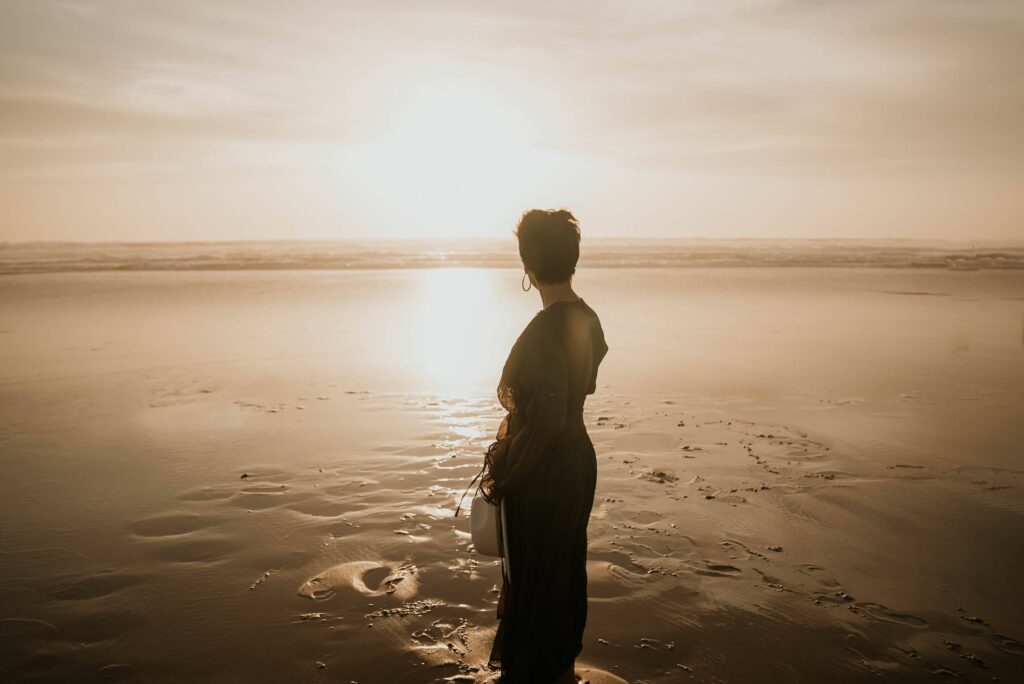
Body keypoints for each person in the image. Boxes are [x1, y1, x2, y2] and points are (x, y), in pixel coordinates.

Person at [480, 209, 609, 683]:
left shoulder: (546, 330)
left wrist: (507, 474)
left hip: (548, 466)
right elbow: (571, 399)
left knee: (536, 570)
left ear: (527, 267)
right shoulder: (587, 318)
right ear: (572, 259)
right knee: (563, 565)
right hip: (577, 462)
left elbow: (548, 419)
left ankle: (540, 671)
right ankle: (559, 666)